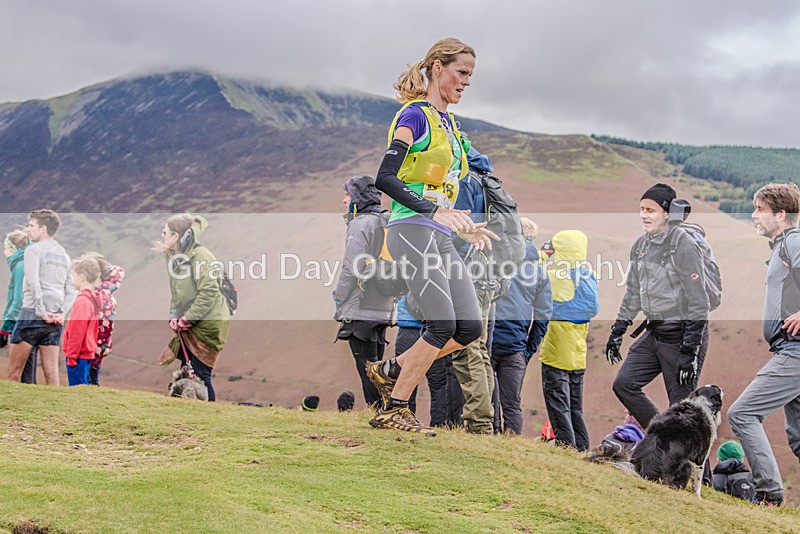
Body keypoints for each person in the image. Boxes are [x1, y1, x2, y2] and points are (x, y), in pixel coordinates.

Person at [366, 38, 497, 436]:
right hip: (410, 229)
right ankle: (395, 408)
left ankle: (391, 370)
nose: (466, 82)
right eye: (462, 72)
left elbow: (443, 187)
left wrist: (465, 225)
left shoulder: (451, 126)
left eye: (471, 75)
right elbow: (385, 178)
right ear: (437, 68)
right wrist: (434, 210)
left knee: (470, 327)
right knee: (441, 324)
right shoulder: (415, 117)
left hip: (439, 234)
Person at [606, 183, 710, 429]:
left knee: (682, 412)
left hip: (682, 337)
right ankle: (659, 437)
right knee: (624, 383)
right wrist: (618, 330)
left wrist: (689, 351)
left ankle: (694, 468)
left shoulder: (683, 244)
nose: (643, 214)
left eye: (650, 209)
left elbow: (699, 301)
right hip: (655, 333)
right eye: (641, 209)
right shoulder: (640, 246)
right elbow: (633, 292)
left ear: (667, 212)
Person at [727, 183, 800, 507]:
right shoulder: (782, 246)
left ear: (781, 214)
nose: (754, 215)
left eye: (760, 209)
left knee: (742, 413)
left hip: (796, 351)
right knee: (798, 438)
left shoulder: (794, 242)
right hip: (789, 349)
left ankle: (769, 493)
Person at [449, 147, 501, 434]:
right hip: (485, 275)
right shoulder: (486, 180)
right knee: (478, 349)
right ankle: (484, 420)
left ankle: (479, 423)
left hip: (469, 274)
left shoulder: (465, 180)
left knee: (467, 348)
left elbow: (461, 228)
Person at [332, 175, 393, 407]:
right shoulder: (385, 221)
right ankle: (385, 410)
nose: (343, 200)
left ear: (357, 198)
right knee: (376, 367)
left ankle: (378, 412)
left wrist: (338, 298)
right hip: (383, 305)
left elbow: (352, 268)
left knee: (367, 369)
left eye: (347, 195)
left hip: (361, 307)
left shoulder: (360, 224)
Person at [157, 214, 230, 402]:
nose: (162, 235)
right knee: (188, 370)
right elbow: (176, 290)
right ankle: (190, 413)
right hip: (191, 321)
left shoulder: (201, 256)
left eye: (165, 232)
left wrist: (186, 318)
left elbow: (209, 292)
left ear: (176, 235)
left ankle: (209, 418)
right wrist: (174, 315)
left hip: (208, 323)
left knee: (201, 373)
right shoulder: (174, 256)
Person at [537, 230, 599, 450]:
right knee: (575, 407)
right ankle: (580, 447)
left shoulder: (558, 277)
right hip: (577, 352)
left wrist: (544, 255)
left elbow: (530, 271)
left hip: (556, 351)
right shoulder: (587, 275)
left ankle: (565, 446)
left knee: (558, 403)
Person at [491, 218, 552, 435]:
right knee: (512, 404)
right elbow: (544, 316)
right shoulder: (539, 272)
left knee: (487, 401)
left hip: (487, 341)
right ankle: (512, 446)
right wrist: (528, 348)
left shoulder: (494, 262)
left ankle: (488, 441)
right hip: (516, 345)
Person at [7, 209, 76, 385]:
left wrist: (41, 311)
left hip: (32, 313)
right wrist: (61, 313)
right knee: (52, 375)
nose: (28, 230)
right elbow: (71, 290)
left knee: (14, 372)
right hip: (55, 318)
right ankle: (56, 411)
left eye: (31, 225)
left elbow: (33, 282)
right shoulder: (64, 255)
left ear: (43, 228)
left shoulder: (33, 250)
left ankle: (12, 410)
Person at [1, 229, 39, 384]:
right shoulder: (27, 262)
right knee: (30, 362)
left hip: (23, 320)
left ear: (15, 248)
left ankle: (29, 400)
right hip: (34, 318)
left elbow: (18, 300)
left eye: (7, 247)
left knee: (23, 365)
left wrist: (5, 327)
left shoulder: (20, 266)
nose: (4, 251)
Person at [85, 252, 125, 386]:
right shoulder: (107, 295)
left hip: (91, 344)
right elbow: (108, 325)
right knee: (94, 373)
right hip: (101, 343)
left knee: (88, 377)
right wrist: (107, 344)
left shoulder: (97, 296)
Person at [63, 256, 103, 386]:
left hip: (78, 355)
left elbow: (77, 331)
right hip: (86, 353)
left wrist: (72, 356)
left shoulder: (82, 302)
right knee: (83, 387)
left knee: (77, 389)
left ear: (81, 277)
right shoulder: (92, 300)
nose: (72, 280)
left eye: (73, 276)